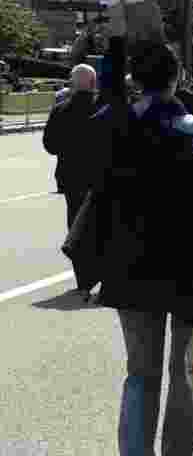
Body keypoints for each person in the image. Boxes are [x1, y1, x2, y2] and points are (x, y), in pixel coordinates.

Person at [90, 0, 193, 456]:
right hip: (191, 271)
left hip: (130, 268)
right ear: (177, 78)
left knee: (140, 373)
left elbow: (107, 97)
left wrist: (117, 40)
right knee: (185, 374)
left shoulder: (117, 125)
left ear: (136, 79)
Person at [43, 63, 101, 301]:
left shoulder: (60, 109)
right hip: (100, 175)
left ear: (73, 83)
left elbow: (50, 145)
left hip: (71, 176)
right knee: (102, 225)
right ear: (93, 83)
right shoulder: (104, 107)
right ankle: (104, 275)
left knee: (76, 226)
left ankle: (83, 280)